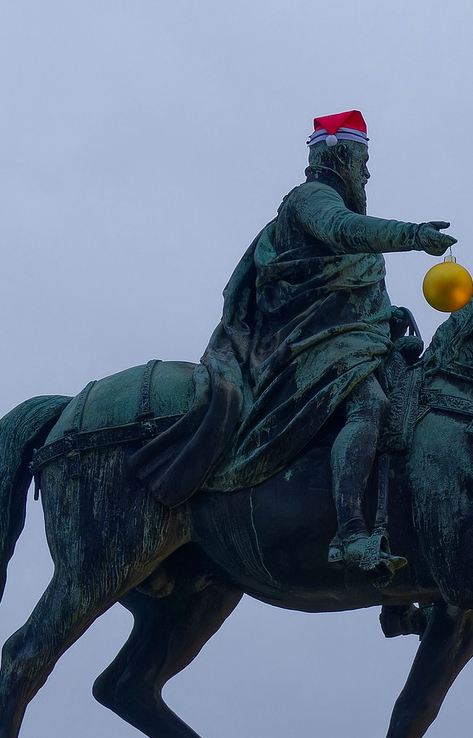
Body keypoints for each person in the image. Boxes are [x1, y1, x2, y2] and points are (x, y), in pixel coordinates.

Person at [132, 110, 454, 577]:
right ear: (341, 156)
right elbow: (344, 232)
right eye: (362, 160)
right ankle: (349, 533)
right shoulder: (311, 199)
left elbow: (345, 295)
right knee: (369, 405)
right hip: (298, 345)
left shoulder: (330, 206)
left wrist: (387, 316)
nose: (367, 171)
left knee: (415, 403)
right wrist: (411, 235)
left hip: (347, 339)